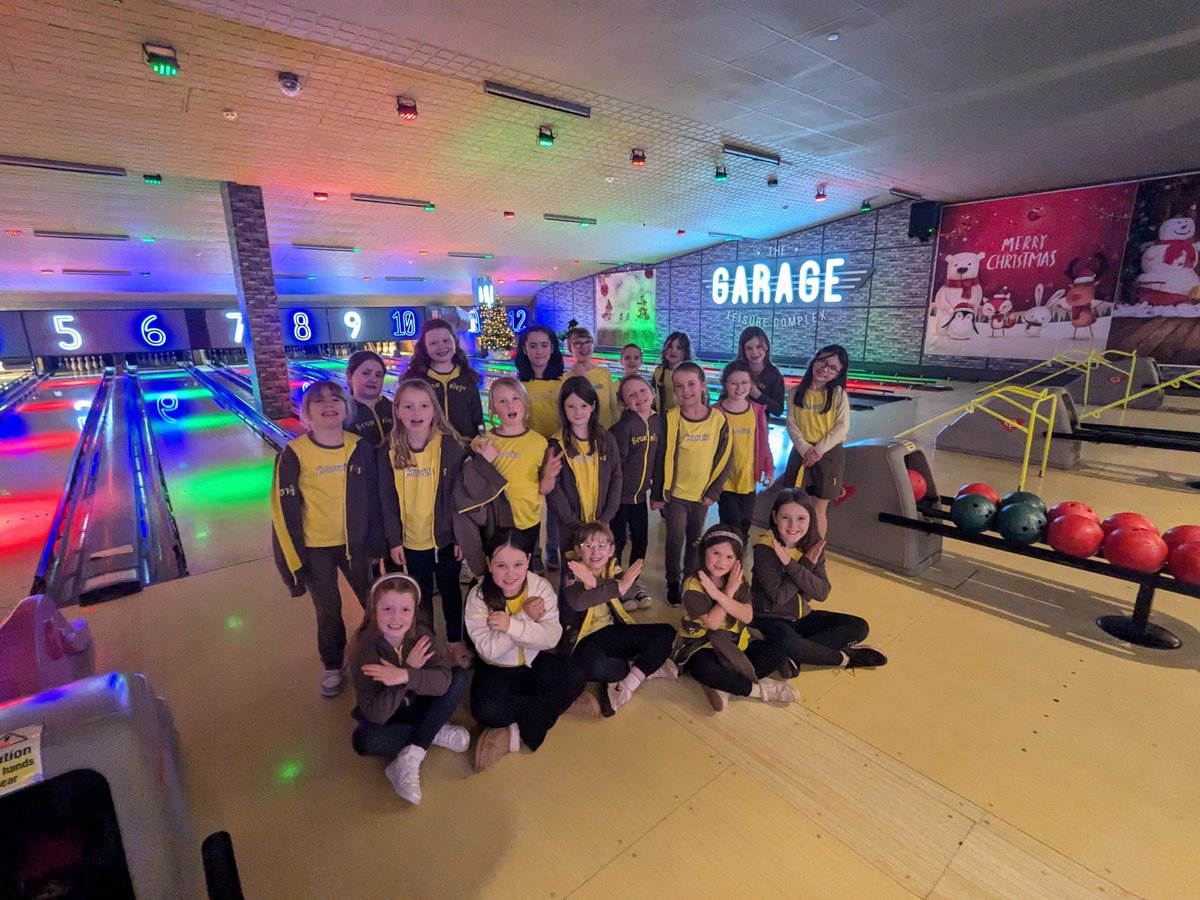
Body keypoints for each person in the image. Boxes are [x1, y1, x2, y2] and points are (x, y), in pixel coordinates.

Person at [379, 380, 507, 667]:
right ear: (397, 410)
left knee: (450, 591)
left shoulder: (449, 446)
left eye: (424, 405)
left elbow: (459, 498)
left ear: (434, 411)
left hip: (445, 539)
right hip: (410, 542)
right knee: (420, 595)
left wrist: (461, 537)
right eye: (408, 406)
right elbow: (385, 500)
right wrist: (393, 540)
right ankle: (424, 640)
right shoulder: (387, 450)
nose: (417, 412)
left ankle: (454, 639)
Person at [271, 379, 380, 698]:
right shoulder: (293, 453)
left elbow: (374, 499)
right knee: (328, 610)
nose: (329, 404)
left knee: (376, 604)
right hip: (315, 548)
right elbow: (282, 512)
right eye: (318, 401)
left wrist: (378, 544)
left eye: (336, 399)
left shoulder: (360, 447)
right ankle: (333, 664)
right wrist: (290, 567)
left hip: (357, 545)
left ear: (346, 408)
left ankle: (382, 654)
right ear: (306, 413)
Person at [467, 531, 591, 771]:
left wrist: (512, 624)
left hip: (534, 661)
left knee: (576, 674)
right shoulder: (478, 596)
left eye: (518, 564)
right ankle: (556, 707)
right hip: (496, 669)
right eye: (501, 565)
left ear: (527, 561)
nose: (510, 573)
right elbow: (490, 650)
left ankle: (515, 733)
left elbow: (551, 637)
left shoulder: (540, 586)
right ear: (489, 563)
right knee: (484, 711)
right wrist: (525, 618)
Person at [348, 574, 470, 804]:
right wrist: (408, 672)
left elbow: (443, 680)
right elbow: (377, 713)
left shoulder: (421, 636)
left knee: (458, 677)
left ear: (414, 611)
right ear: (374, 610)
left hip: (418, 704)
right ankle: (430, 732)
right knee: (365, 741)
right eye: (387, 609)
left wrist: (404, 674)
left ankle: (414, 752)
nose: (396, 617)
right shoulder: (364, 650)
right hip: (390, 716)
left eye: (405, 609)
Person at [750, 489, 888, 674]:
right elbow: (779, 596)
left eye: (801, 518)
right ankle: (845, 658)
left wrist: (792, 565)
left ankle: (797, 655)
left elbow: (822, 592)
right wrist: (804, 564)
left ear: (810, 520)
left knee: (859, 626)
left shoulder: (813, 545)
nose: (793, 525)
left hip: (801, 615)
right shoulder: (765, 548)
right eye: (785, 518)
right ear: (775, 517)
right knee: (787, 642)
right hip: (770, 618)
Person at [560, 522, 678, 716]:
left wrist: (596, 582)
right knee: (591, 666)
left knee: (667, 632)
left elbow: (629, 591)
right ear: (578, 550)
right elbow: (578, 602)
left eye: (602, 546)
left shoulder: (612, 568)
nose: (596, 552)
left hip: (612, 632)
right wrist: (613, 586)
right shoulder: (573, 571)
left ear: (611, 550)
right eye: (588, 546)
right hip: (584, 641)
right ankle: (643, 668)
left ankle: (631, 680)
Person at [673, 525, 795, 711]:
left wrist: (720, 595)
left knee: (776, 650)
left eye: (729, 557)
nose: (721, 561)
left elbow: (747, 616)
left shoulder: (736, 579)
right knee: (704, 669)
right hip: (702, 642)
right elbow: (712, 624)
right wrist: (728, 593)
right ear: (704, 550)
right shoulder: (693, 584)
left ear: (737, 560)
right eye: (716, 553)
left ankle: (725, 687)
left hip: (734, 639)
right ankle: (758, 689)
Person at [652, 361, 731, 608]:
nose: (686, 390)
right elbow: (660, 455)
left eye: (691, 384)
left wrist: (713, 491)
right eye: (680, 386)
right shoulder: (671, 419)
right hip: (675, 496)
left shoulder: (718, 420)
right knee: (675, 538)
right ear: (674, 390)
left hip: (701, 497)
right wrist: (658, 493)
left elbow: (725, 458)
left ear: (703, 385)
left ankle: (689, 576)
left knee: (695, 538)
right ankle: (673, 580)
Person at [546, 376, 622, 557]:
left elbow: (616, 476)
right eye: (571, 406)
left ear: (593, 406)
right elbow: (554, 488)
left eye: (584, 406)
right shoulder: (556, 444)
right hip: (570, 526)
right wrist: (573, 522)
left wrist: (605, 519)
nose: (577, 412)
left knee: (597, 565)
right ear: (563, 408)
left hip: (601, 522)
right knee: (571, 568)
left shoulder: (606, 440)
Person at [784, 344, 850, 540]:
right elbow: (791, 423)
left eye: (833, 368)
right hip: (801, 451)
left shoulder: (838, 394)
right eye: (823, 362)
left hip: (828, 453)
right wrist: (805, 449)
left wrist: (818, 450)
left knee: (819, 506)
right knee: (794, 502)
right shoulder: (796, 392)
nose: (825, 369)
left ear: (838, 373)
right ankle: (792, 542)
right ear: (815, 360)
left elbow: (841, 428)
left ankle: (815, 549)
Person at [514, 325, 565, 570]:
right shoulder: (519, 385)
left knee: (556, 503)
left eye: (544, 345)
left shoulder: (563, 382)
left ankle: (554, 549)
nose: (539, 351)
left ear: (552, 348)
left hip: (558, 452)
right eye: (532, 345)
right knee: (531, 503)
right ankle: (533, 552)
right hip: (528, 452)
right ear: (524, 349)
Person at [482, 378, 551, 559]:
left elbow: (544, 485)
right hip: (496, 520)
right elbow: (479, 482)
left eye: (515, 398)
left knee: (522, 563)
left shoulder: (539, 442)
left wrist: (551, 474)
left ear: (525, 403)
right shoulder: (485, 441)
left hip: (528, 517)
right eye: (502, 401)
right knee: (499, 563)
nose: (510, 405)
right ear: (493, 408)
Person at [609, 375, 661, 609]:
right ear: (623, 403)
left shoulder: (659, 423)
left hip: (640, 497)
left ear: (651, 391)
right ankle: (618, 584)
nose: (639, 397)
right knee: (617, 542)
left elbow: (660, 461)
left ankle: (635, 582)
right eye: (631, 394)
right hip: (620, 499)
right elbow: (615, 466)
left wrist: (657, 493)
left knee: (641, 542)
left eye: (642, 390)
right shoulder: (623, 427)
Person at [714, 361, 773, 538]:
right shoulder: (716, 413)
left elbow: (763, 443)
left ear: (751, 384)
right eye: (734, 383)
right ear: (725, 385)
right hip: (724, 481)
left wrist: (768, 470)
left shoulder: (756, 411)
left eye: (744, 383)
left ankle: (737, 556)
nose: (739, 388)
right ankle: (728, 557)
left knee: (745, 522)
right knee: (731, 523)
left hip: (747, 479)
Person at [403, 318, 484, 441]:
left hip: (465, 449)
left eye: (446, 341)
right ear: (425, 348)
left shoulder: (467, 378)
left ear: (454, 342)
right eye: (433, 343)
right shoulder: (417, 380)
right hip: (428, 450)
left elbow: (478, 418)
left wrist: (482, 438)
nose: (441, 347)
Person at [565, 326, 618, 427]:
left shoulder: (604, 372)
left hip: (606, 433)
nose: (584, 347)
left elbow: (613, 406)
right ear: (569, 349)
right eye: (577, 343)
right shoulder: (566, 378)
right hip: (582, 435)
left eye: (587, 342)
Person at [343, 350, 393, 448]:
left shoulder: (393, 408)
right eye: (366, 373)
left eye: (378, 375)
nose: (373, 380)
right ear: (349, 376)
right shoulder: (342, 412)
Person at [736, 326, 785, 418]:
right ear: (743, 350)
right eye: (749, 348)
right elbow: (722, 400)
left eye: (759, 347)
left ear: (766, 346)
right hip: (734, 422)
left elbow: (778, 410)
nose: (754, 352)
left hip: (759, 427)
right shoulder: (735, 371)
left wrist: (758, 395)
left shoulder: (774, 375)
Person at [651, 331, 691, 413]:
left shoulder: (692, 373)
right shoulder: (658, 372)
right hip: (663, 418)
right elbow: (653, 399)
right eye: (670, 347)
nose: (673, 350)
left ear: (686, 352)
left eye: (679, 348)